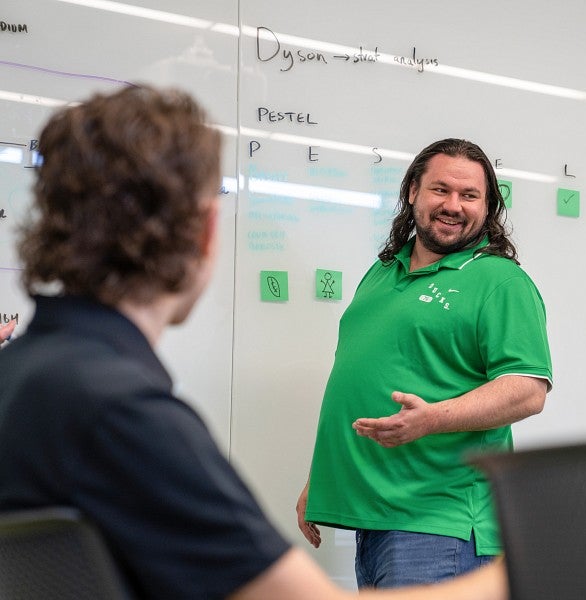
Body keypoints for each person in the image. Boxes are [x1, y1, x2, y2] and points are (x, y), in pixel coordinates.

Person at [0, 87, 509, 599]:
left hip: (436, 513)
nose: (453, 205)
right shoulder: (128, 418)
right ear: (203, 233)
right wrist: (521, 567)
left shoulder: (21, 376)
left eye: (469, 195)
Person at [298, 138, 552, 589]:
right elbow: (359, 378)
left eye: (470, 195)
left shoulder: (500, 281)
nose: (453, 205)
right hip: (374, 518)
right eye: (441, 190)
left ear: (488, 206)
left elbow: (527, 390)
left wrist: (432, 419)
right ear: (413, 191)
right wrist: (320, 481)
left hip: (441, 524)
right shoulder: (381, 272)